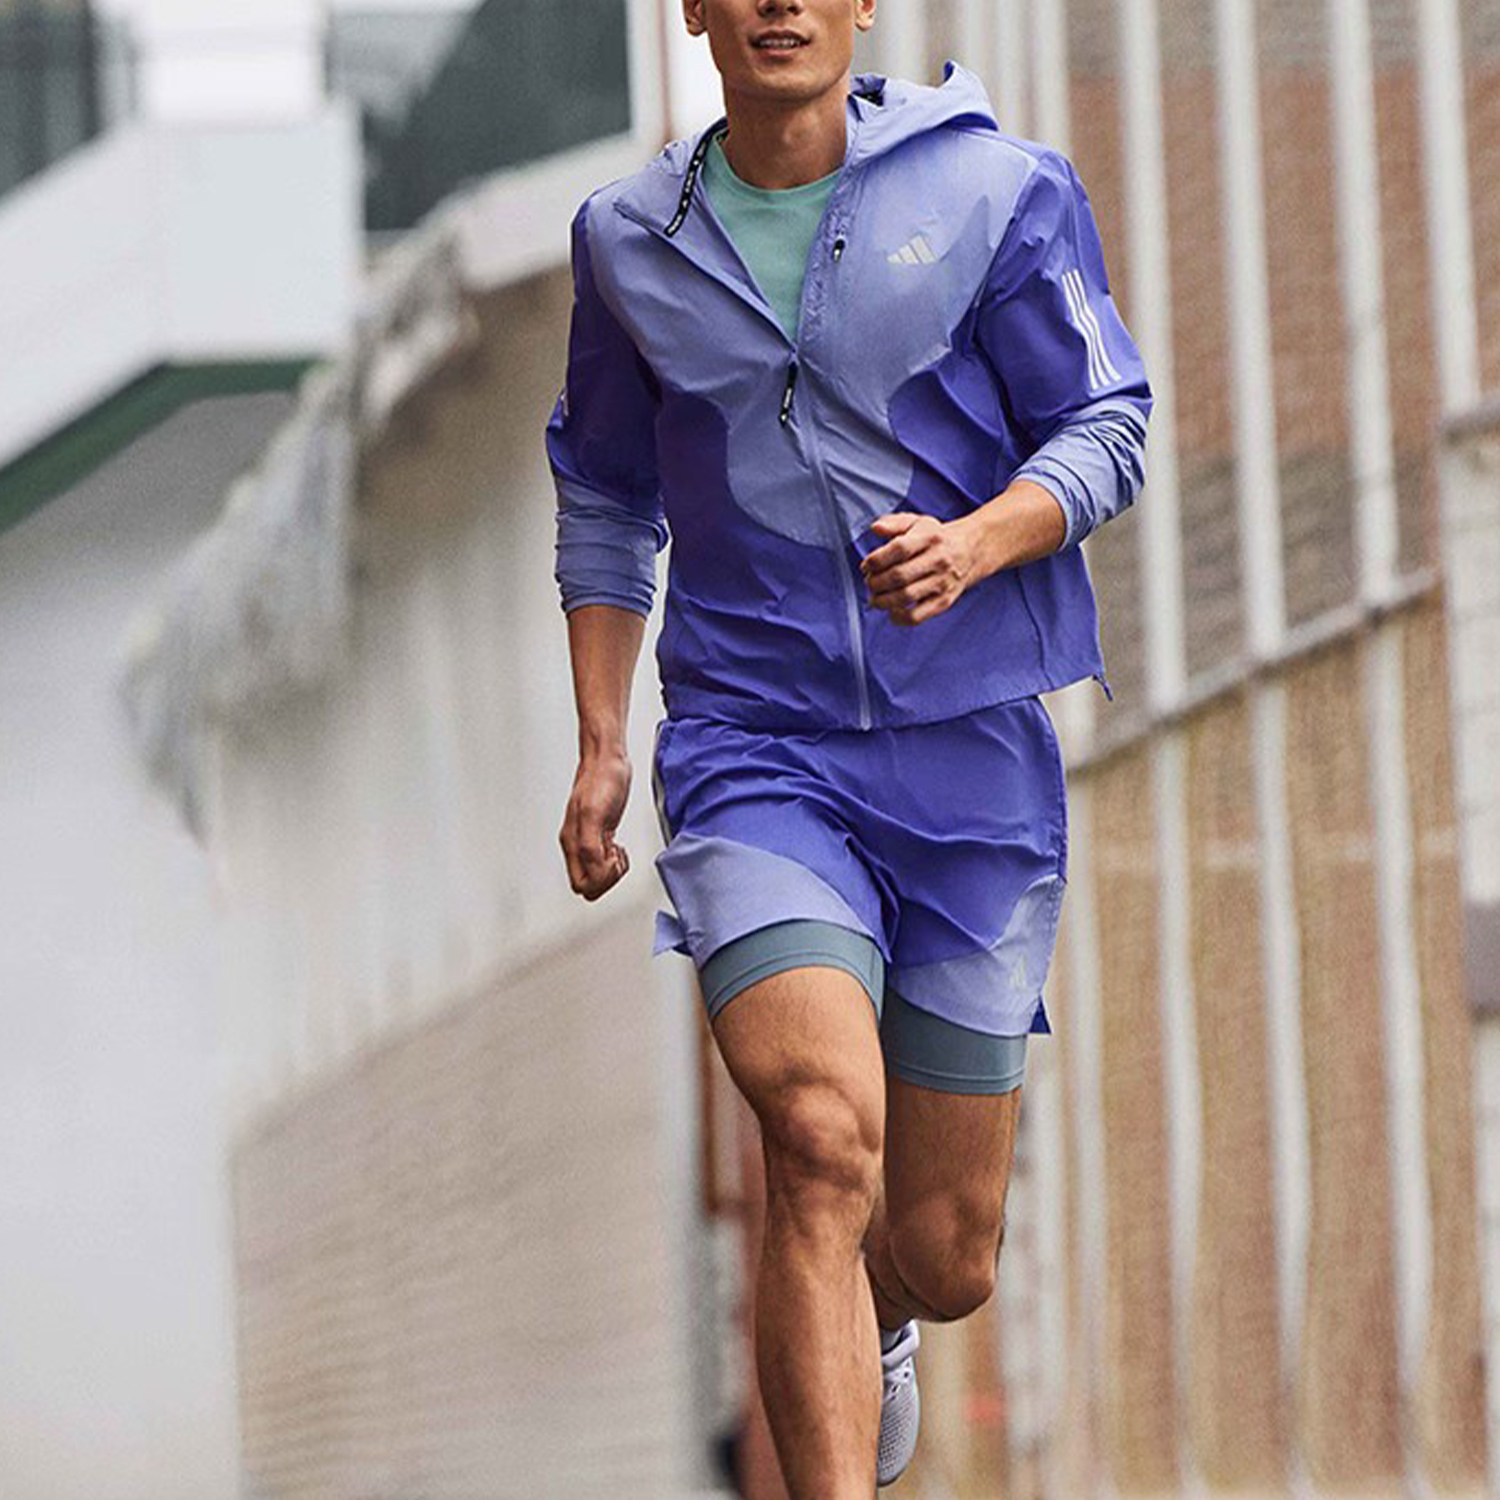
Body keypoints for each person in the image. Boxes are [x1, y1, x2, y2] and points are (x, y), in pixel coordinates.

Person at [546, 2, 1152, 1493]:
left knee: (947, 1251)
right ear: (693, 9)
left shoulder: (997, 190)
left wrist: (979, 540)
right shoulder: (628, 243)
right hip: (756, 753)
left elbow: (1108, 422)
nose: (779, 3)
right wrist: (605, 740)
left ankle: (875, 1315)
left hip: (967, 758)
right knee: (818, 1137)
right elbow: (608, 496)